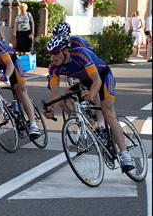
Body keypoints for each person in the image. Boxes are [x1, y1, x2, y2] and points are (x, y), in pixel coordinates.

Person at [42, 35, 135, 171]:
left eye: (56, 53)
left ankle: (125, 155)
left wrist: (91, 93)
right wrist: (51, 108)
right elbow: (54, 92)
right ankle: (94, 128)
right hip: (85, 81)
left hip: (102, 76)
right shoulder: (54, 67)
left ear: (66, 51)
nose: (53, 57)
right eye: (50, 53)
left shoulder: (81, 55)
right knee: (64, 101)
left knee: (108, 113)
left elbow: (96, 79)